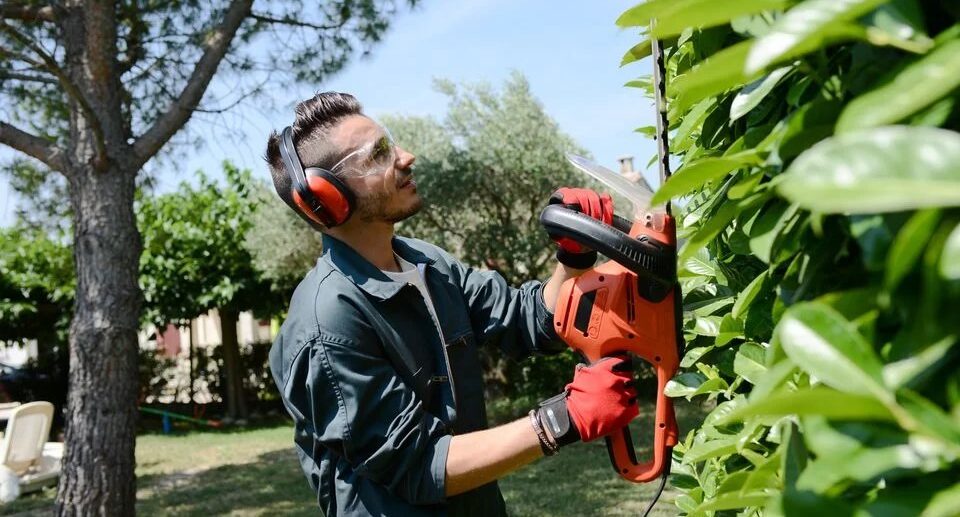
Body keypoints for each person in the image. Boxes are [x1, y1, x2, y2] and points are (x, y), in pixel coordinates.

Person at [265, 91, 638, 516]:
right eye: (379, 153)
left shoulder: (427, 263)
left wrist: (573, 255)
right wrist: (560, 420)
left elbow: (528, 319)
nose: (406, 156)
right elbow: (420, 464)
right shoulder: (326, 322)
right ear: (325, 197)